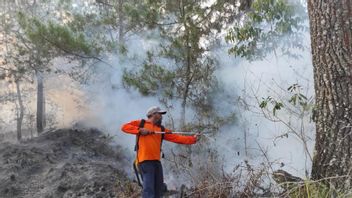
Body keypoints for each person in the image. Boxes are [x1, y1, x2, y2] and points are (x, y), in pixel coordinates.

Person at [121, 106, 200, 198]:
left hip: (156, 162)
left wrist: (193, 139)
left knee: (159, 190)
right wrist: (140, 130)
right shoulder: (141, 123)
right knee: (149, 189)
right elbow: (124, 127)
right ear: (153, 114)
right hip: (144, 162)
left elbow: (176, 137)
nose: (162, 116)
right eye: (160, 114)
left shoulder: (161, 129)